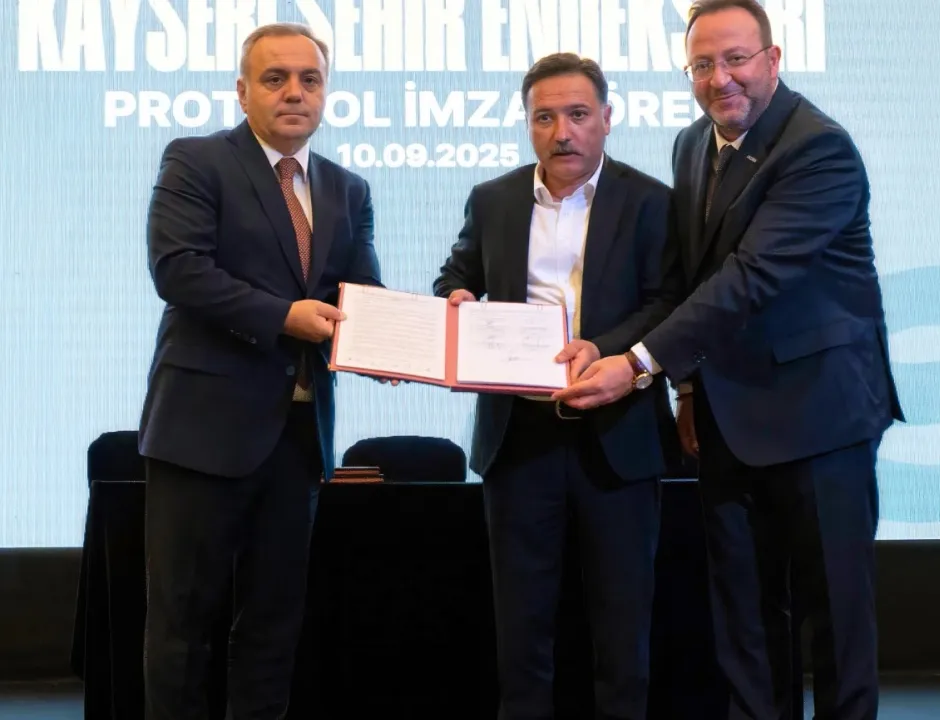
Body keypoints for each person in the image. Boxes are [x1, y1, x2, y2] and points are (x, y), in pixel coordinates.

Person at [552, 1, 905, 718]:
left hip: (821, 419)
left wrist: (637, 365)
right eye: (703, 65)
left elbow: (749, 278)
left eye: (737, 59)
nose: (721, 79)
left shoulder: (818, 149)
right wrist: (678, 385)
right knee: (744, 625)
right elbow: (692, 278)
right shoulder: (692, 144)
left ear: (773, 60)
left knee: (836, 622)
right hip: (726, 420)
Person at [137, 22, 382, 719]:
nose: (294, 92)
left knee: (274, 625)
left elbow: (362, 295)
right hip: (202, 435)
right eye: (276, 79)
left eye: (310, 79)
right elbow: (179, 270)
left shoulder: (347, 188)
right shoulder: (196, 160)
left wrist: (406, 340)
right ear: (243, 92)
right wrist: (284, 317)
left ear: (326, 93)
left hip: (298, 439)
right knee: (183, 626)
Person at [433, 53, 675, 720]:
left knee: (622, 626)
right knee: (522, 628)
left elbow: (668, 303)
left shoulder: (652, 201)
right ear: (528, 123)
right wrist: (456, 297)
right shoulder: (492, 199)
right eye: (544, 118)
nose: (562, 132)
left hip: (618, 435)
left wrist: (605, 347)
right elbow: (457, 274)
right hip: (519, 437)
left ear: (607, 119)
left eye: (577, 115)